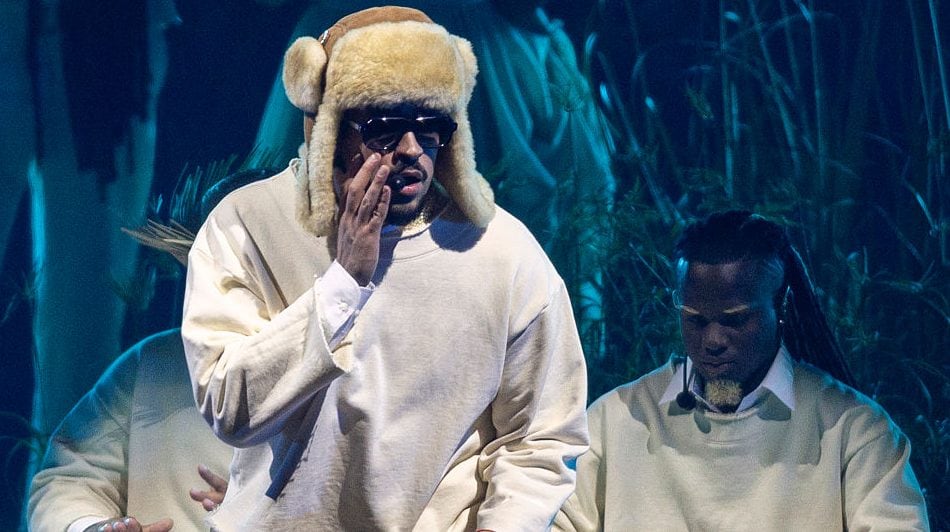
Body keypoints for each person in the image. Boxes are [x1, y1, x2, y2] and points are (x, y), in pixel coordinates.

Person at [181, 6, 588, 531]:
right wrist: (344, 282)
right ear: (329, 127)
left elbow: (543, 437)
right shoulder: (247, 225)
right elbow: (229, 406)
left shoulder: (503, 253)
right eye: (384, 128)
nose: (412, 150)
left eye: (431, 127)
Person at [252, 0, 615, 356]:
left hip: (504, 303)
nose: (410, 147)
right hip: (346, 305)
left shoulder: (542, 47)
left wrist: (585, 318)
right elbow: (288, 184)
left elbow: (588, 192)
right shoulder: (342, 26)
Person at [555, 210, 930, 531]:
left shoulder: (852, 430)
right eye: (696, 320)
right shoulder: (617, 420)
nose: (713, 339)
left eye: (734, 321)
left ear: (780, 305)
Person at [27, 165, 267, 532]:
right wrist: (93, 527)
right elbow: (69, 477)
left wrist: (272, 512)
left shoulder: (340, 359)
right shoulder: (155, 362)